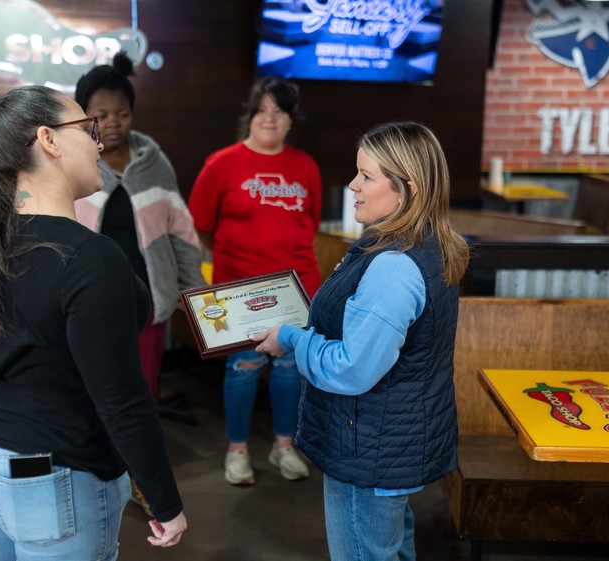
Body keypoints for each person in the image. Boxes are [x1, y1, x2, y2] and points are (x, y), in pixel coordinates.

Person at [0, 85, 187, 561]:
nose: (99, 143)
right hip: (53, 474)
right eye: (87, 129)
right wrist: (165, 500)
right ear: (49, 141)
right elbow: (122, 400)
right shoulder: (88, 257)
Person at [251, 122, 470, 561]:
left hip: (368, 448)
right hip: (387, 443)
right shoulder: (423, 244)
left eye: (366, 176)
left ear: (408, 189)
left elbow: (352, 368)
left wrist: (291, 338)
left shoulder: (394, 266)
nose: (353, 185)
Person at [72, 52, 205, 516]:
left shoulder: (154, 162)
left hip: (149, 301)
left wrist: (195, 294)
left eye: (122, 113)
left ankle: (141, 480)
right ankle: (95, 473)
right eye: (101, 114)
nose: (113, 123)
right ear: (83, 114)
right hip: (92, 305)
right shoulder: (74, 164)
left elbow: (182, 232)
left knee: (142, 395)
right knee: (92, 389)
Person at [188, 76, 322, 486]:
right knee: (244, 369)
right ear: (249, 115)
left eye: (279, 111)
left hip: (296, 291)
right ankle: (238, 451)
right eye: (262, 109)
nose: (270, 118)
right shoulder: (221, 164)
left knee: (288, 369)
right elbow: (201, 226)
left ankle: (284, 446)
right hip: (240, 292)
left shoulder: (305, 166)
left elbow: (310, 223)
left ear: (290, 120)